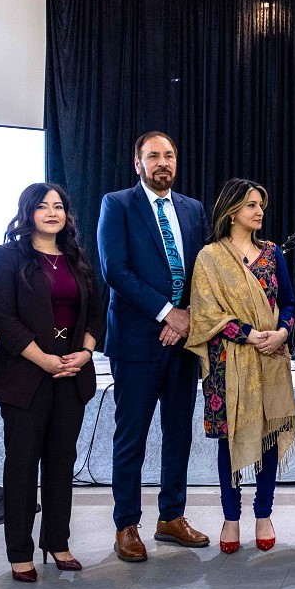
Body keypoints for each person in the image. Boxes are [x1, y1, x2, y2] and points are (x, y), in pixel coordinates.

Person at [97, 131, 211, 562]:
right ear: (138, 163)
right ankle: (126, 524)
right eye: (153, 156)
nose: (163, 162)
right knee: (132, 436)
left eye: (169, 155)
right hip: (137, 341)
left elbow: (205, 270)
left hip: (184, 340)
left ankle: (171, 517)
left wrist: (187, 316)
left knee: (179, 432)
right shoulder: (117, 204)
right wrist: (167, 313)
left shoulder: (192, 208)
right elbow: (115, 270)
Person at [0, 183, 106, 582]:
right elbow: (2, 317)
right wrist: (45, 360)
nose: (52, 213)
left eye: (58, 206)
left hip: (72, 375)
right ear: (28, 213)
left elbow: (96, 313)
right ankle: (19, 551)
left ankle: (57, 541)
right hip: (25, 377)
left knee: (61, 462)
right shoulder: (6, 257)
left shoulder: (77, 257)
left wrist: (85, 353)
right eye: (42, 206)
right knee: (22, 465)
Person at [187, 179, 295, 554]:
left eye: (261, 205)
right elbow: (206, 313)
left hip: (271, 358)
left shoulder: (271, 253)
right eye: (252, 204)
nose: (259, 211)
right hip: (227, 363)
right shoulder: (210, 258)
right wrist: (249, 334)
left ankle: (264, 514)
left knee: (269, 436)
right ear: (232, 211)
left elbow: (289, 302)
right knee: (230, 438)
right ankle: (231, 517)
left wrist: (282, 332)